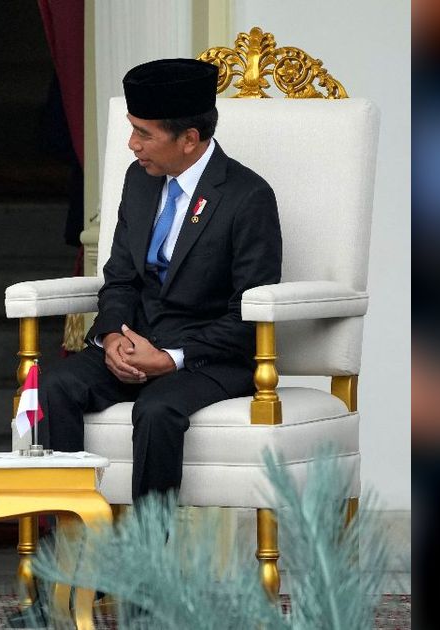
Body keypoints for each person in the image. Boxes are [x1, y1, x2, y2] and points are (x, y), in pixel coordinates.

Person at [37, 58, 282, 501]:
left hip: (209, 357)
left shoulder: (248, 197)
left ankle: (150, 561)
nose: (132, 144)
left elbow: (246, 314)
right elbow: (121, 279)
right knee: (55, 386)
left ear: (190, 138)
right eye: (132, 129)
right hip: (136, 342)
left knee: (156, 408)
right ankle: (67, 548)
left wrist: (171, 358)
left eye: (144, 133)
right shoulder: (141, 180)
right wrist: (112, 337)